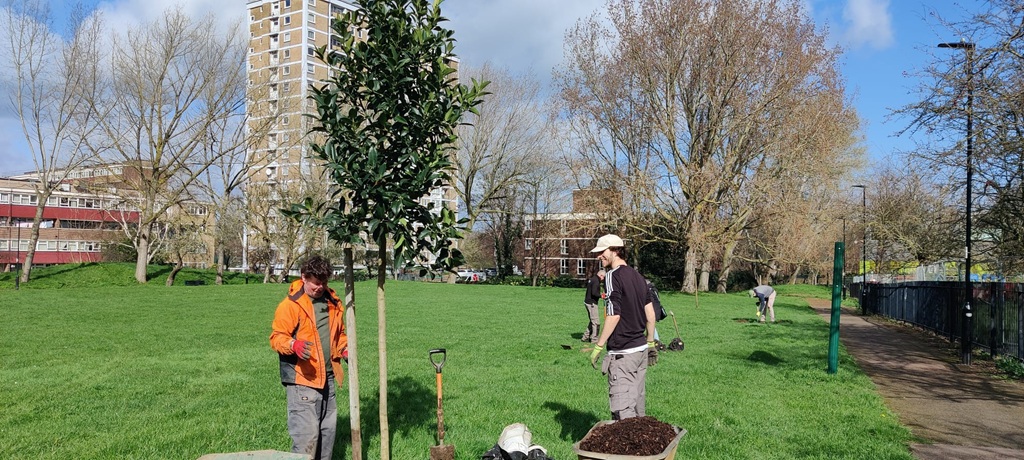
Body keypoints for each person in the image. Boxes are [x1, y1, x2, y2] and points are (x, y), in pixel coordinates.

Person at [270, 255, 348, 460]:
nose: (319, 287)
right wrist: (293, 345)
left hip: (329, 379)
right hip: (303, 379)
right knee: (307, 438)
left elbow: (339, 334)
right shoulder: (291, 305)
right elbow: (277, 337)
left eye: (324, 282)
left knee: (327, 434)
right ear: (304, 277)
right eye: (315, 283)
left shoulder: (333, 302)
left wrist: (345, 349)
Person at [588, 234, 656, 420]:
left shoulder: (612, 276)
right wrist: (650, 343)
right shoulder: (639, 277)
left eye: (602, 252)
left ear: (615, 250)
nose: (598, 256)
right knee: (637, 407)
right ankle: (642, 447)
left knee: (622, 413)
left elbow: (614, 314)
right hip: (641, 351)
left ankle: (628, 449)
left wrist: (598, 346)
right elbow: (650, 315)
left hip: (623, 354)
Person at [582, 269, 605, 343]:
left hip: (588, 302)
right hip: (591, 303)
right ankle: (594, 339)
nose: (603, 279)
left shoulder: (592, 279)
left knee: (592, 320)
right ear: (601, 275)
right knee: (596, 322)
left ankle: (585, 337)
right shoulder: (596, 281)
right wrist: (602, 296)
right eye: (603, 277)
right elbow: (594, 293)